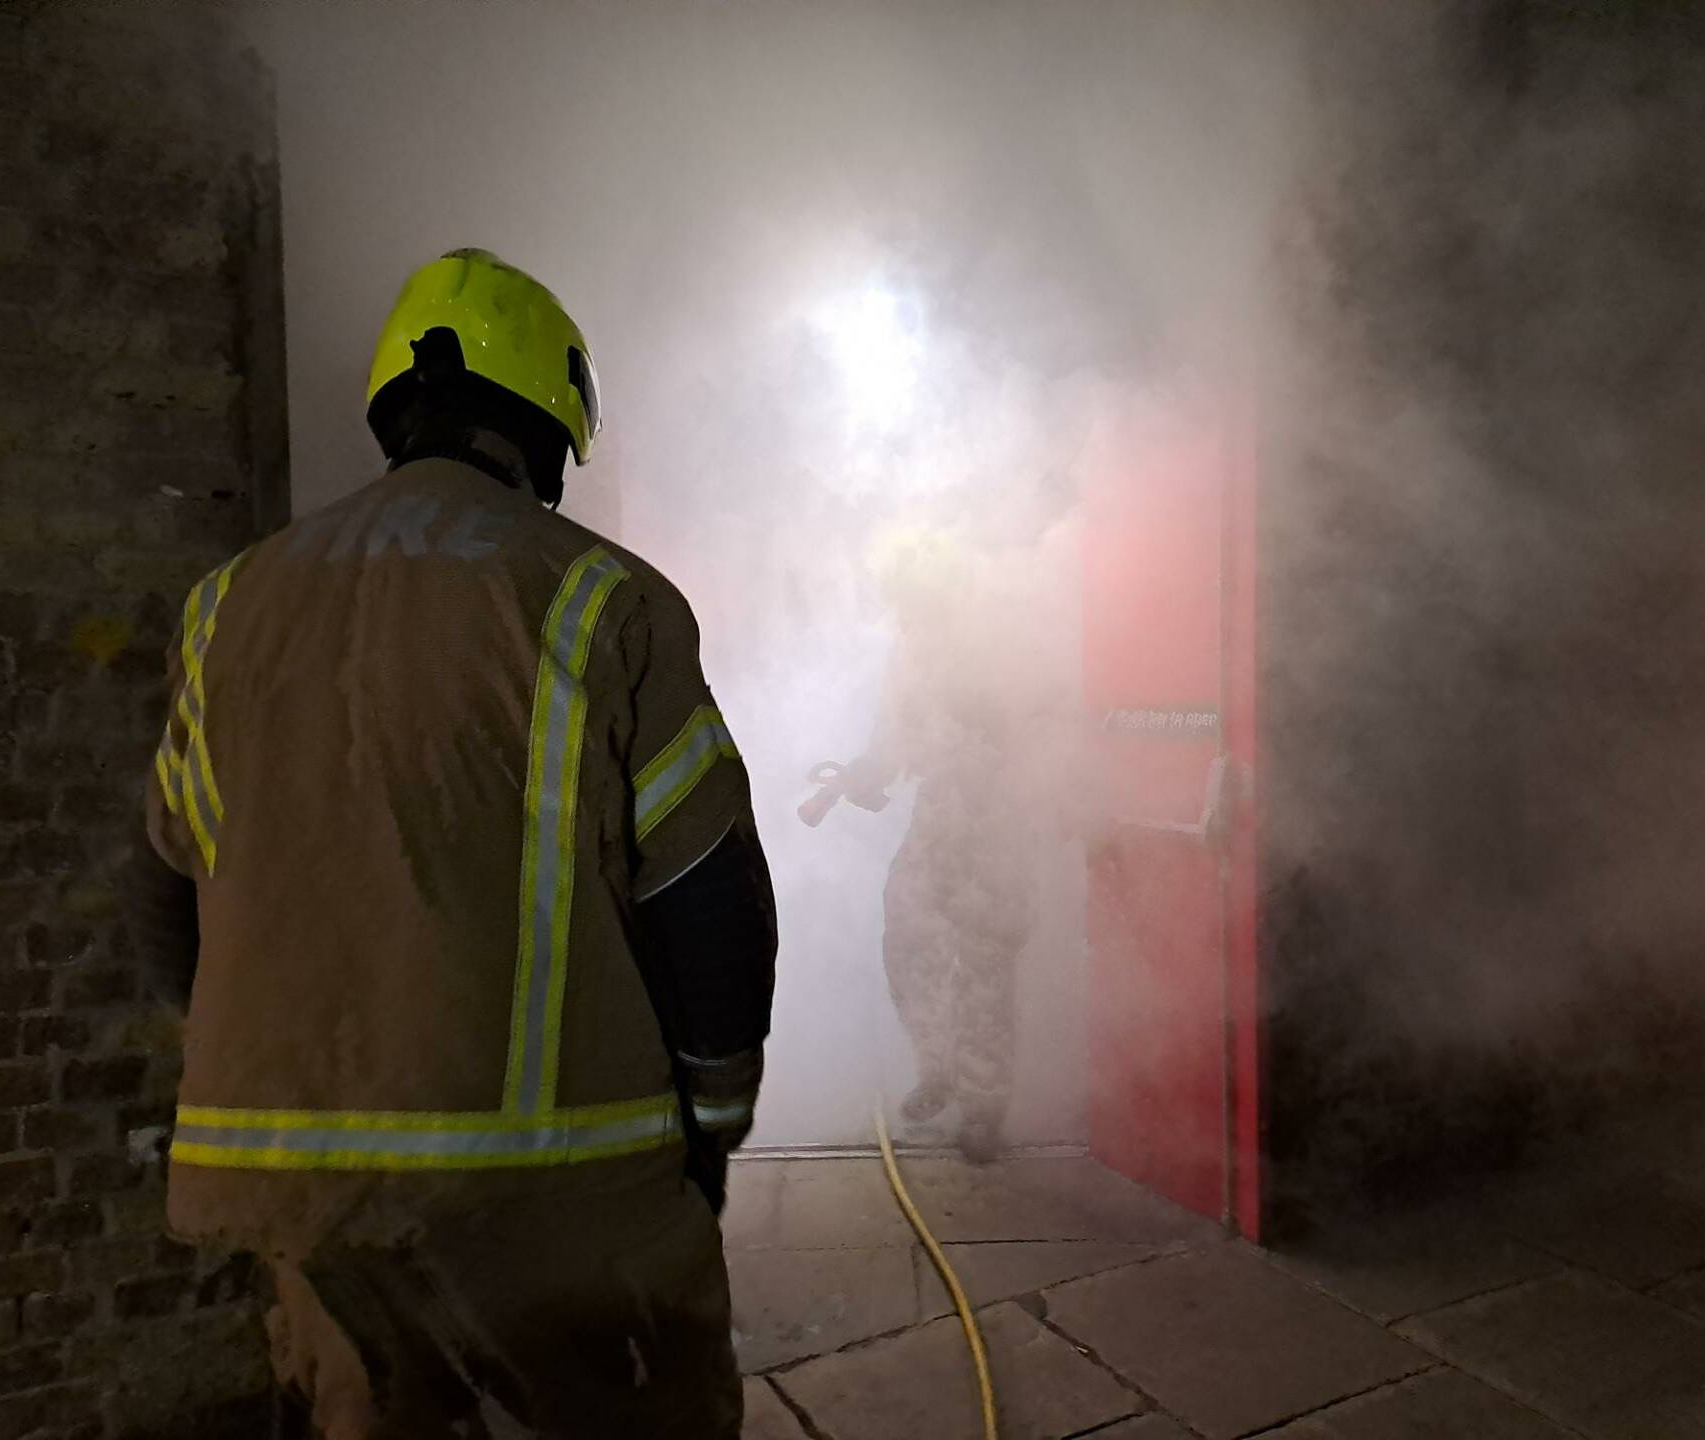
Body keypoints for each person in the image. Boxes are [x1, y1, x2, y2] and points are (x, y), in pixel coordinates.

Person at [120, 248, 776, 1439]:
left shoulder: (229, 604)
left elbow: (167, 888)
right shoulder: (597, 597)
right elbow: (709, 900)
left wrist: (247, 1062)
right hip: (561, 1206)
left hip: (302, 1208)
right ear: (546, 424)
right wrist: (712, 1126)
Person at [820, 529, 1040, 1163]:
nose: (905, 612)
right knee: (908, 936)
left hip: (998, 814)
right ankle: (939, 1067)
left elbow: (1029, 733)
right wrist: (862, 773)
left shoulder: (997, 644)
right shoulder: (911, 649)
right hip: (942, 809)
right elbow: (897, 732)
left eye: (914, 599)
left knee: (984, 961)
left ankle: (982, 1108)